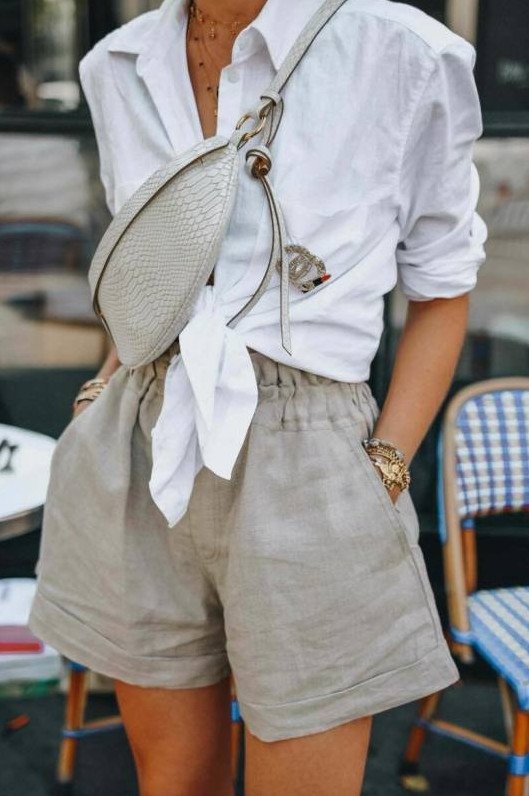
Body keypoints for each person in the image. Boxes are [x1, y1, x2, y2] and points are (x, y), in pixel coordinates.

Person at [28, 0, 488, 794]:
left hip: (308, 454)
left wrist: (383, 465)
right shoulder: (117, 64)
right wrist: (100, 391)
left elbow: (442, 285)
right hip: (140, 434)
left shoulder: (403, 52)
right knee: (172, 782)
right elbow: (146, 271)